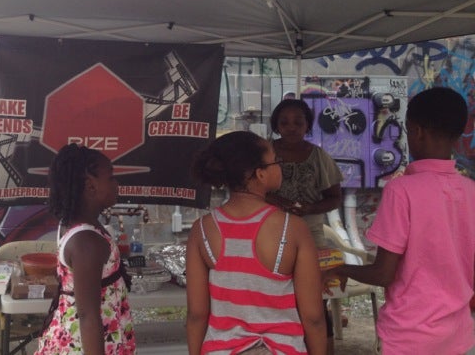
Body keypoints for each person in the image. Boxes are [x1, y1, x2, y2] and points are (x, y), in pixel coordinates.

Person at [326, 87, 475, 354]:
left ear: (416, 131)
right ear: (459, 133)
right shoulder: (470, 191)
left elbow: (384, 274)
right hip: (458, 334)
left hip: (409, 335)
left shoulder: (402, 189)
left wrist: (342, 269)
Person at [186, 131, 327, 355]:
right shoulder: (293, 228)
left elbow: (196, 315)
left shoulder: (201, 230)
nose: (280, 165)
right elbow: (314, 318)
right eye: (276, 160)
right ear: (260, 174)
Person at [35, 144, 136, 355]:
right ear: (90, 186)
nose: (116, 183)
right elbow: (88, 315)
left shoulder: (79, 226)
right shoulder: (86, 242)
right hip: (85, 346)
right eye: (111, 177)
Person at [266, 98, 343, 353]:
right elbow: (248, 189)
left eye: (298, 122)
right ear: (276, 125)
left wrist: (309, 208)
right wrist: (276, 201)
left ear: (307, 125)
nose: (291, 127)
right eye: (285, 122)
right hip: (270, 232)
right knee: (275, 295)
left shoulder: (318, 156)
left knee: (316, 298)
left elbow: (335, 197)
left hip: (311, 234)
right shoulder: (264, 153)